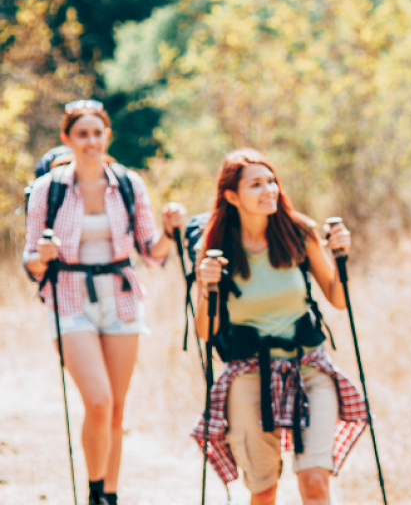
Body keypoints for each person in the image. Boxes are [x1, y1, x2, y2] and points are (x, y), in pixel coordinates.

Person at [23, 99, 187, 505]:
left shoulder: (128, 184)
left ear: (107, 135)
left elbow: (153, 251)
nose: (91, 141)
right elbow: (30, 262)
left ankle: (108, 496)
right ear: (68, 138)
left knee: (115, 409)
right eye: (82, 134)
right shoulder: (48, 190)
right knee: (97, 401)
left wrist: (170, 229)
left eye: (98, 133)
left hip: (122, 301)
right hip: (70, 300)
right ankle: (95, 489)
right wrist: (42, 257)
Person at [190, 148, 367, 505]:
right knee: (263, 490)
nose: (269, 189)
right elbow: (206, 332)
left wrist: (340, 257)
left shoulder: (299, 233)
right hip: (249, 373)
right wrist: (205, 286)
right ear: (231, 195)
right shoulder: (215, 248)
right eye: (256, 184)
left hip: (309, 368)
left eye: (271, 181)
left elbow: (338, 298)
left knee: (315, 481)